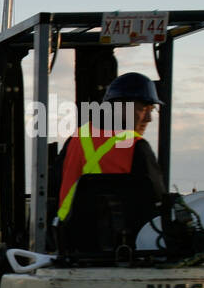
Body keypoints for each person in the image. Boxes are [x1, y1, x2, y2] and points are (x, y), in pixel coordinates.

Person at [56, 72, 166, 225]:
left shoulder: (76, 139)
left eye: (151, 109)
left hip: (67, 237)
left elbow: (54, 187)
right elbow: (157, 203)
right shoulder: (136, 146)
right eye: (143, 109)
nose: (149, 118)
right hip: (121, 244)